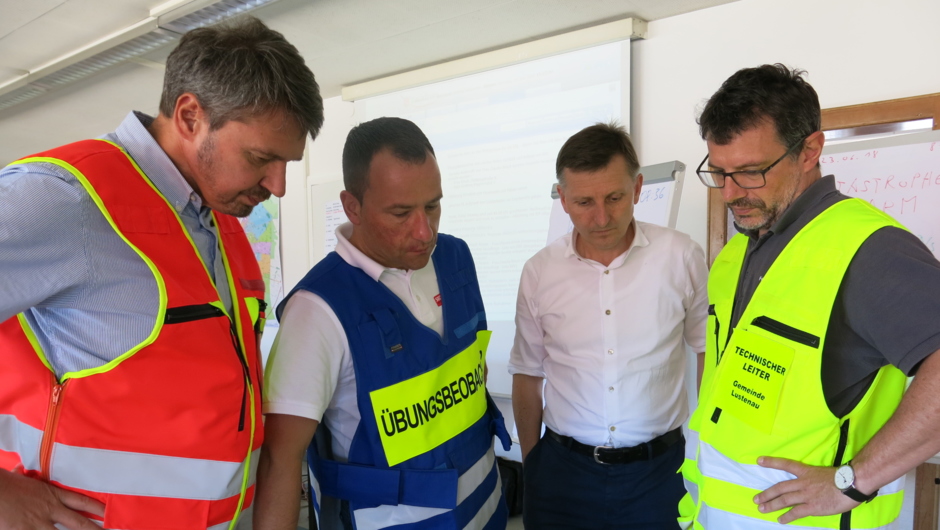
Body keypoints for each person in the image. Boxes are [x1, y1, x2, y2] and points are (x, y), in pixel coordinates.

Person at [0, 17, 322, 530]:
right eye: (262, 159)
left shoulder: (217, 219)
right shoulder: (65, 200)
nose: (278, 185)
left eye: (286, 163)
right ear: (191, 115)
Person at [680, 64, 940, 529]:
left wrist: (853, 480)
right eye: (718, 172)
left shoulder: (869, 249)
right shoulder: (737, 251)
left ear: (810, 151)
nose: (730, 193)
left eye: (751, 171)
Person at [254, 117, 511, 530]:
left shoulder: (455, 259)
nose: (424, 231)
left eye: (433, 205)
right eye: (401, 213)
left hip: (486, 511)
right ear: (352, 206)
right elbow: (279, 463)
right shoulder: (317, 310)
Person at [509, 122, 709, 529]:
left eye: (615, 197)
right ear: (562, 199)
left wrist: (704, 451)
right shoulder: (539, 272)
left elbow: (709, 353)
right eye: (584, 201)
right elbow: (527, 375)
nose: (601, 217)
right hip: (563, 474)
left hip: (659, 474)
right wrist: (534, 467)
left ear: (637, 189)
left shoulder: (681, 256)